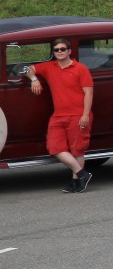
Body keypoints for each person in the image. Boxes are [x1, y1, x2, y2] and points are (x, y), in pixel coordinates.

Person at [27, 37, 95, 192]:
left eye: (63, 49)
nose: (59, 52)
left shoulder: (80, 69)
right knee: (54, 147)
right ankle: (82, 174)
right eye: (56, 50)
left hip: (78, 114)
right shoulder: (49, 67)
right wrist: (34, 79)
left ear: (69, 51)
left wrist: (85, 115)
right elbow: (29, 69)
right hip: (59, 115)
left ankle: (77, 182)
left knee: (77, 150)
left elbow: (89, 93)